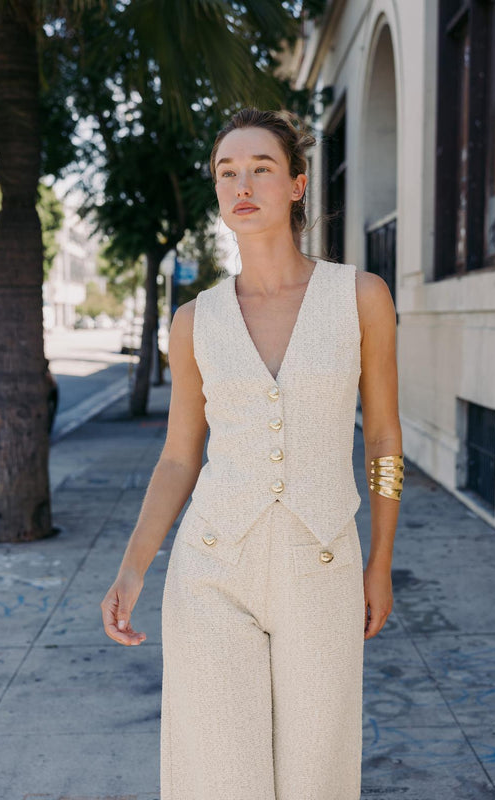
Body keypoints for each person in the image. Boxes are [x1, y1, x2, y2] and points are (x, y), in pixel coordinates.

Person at [100, 107, 404, 800]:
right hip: (211, 572)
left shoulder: (360, 297)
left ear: (296, 184)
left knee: (314, 777)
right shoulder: (193, 320)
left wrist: (380, 561)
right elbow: (179, 456)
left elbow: (383, 436)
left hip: (320, 568)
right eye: (226, 172)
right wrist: (132, 567)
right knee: (219, 778)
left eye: (260, 169)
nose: (242, 184)